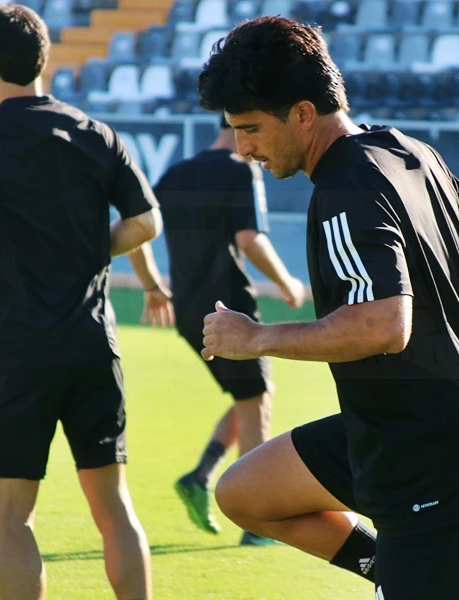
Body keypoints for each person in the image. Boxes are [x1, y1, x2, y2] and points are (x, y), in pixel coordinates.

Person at [196, 16, 459, 600]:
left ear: (301, 113)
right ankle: (386, 571)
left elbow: (380, 325)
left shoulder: (343, 186)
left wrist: (256, 337)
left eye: (251, 128)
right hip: (391, 434)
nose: (242, 148)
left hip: (433, 459)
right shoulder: (410, 151)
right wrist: (431, 340)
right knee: (243, 493)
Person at [0, 4, 160, 599]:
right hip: (92, 345)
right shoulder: (95, 132)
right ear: (46, 60)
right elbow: (145, 223)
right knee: (113, 507)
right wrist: (87, 252)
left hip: (17, 351)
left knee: (11, 517)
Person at [127, 117, 305, 545]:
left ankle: (201, 474)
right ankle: (258, 524)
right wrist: (288, 284)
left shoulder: (176, 173)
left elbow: (135, 229)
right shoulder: (238, 169)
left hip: (188, 310)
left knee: (254, 395)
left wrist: (153, 286)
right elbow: (249, 240)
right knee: (255, 403)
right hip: (230, 309)